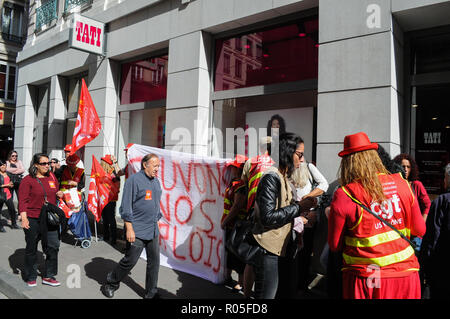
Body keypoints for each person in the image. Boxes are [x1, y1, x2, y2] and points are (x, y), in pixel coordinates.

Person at [328, 132, 426, 299]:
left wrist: (330, 216)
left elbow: (335, 245)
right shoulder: (402, 183)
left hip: (368, 279)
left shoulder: (345, 194)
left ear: (347, 162)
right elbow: (420, 229)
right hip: (406, 276)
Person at [252, 132, 316, 299]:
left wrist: (301, 214)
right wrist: (299, 207)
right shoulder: (272, 176)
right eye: (299, 155)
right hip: (268, 249)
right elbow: (268, 217)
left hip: (281, 247)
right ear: (287, 152)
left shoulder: (283, 176)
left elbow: (282, 211)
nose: (302, 160)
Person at [101, 154, 162, 299]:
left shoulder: (156, 182)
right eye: (154, 165)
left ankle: (151, 293)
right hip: (137, 230)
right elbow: (126, 208)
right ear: (145, 165)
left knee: (154, 262)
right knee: (130, 261)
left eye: (158, 166)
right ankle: (111, 283)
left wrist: (157, 222)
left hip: (152, 229)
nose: (157, 169)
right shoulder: (133, 181)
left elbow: (156, 204)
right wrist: (129, 228)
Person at [18, 153, 64, 287]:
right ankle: (31, 275)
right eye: (43, 163)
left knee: (53, 246)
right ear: (36, 165)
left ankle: (49, 276)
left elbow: (55, 191)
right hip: (33, 218)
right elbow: (23, 200)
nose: (47, 166)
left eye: (48, 163)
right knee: (32, 247)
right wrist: (24, 218)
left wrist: (59, 193)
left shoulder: (52, 176)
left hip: (49, 218)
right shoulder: (28, 180)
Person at [290, 149, 329, 292]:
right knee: (291, 252)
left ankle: (301, 285)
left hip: (308, 217)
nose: (300, 159)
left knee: (304, 254)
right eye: (297, 154)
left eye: (302, 155)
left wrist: (308, 199)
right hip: (291, 216)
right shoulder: (287, 169)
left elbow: (323, 185)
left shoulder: (309, 167)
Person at [241, 136, 274, 298]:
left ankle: (247, 296)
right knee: (269, 256)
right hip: (272, 214)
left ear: (260, 147)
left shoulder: (250, 162)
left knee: (252, 258)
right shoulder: (277, 163)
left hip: (253, 213)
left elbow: (245, 185)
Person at [420, 163, 450, 298]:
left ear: (448, 178)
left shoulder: (442, 201)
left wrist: (424, 265)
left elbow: (432, 239)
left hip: (443, 271)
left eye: (445, 177)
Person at [221, 154, 248, 293]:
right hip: (232, 225)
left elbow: (237, 206)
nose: (231, 169)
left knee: (238, 254)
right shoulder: (234, 182)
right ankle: (228, 277)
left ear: (240, 169)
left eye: (234, 167)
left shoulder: (241, 185)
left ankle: (241, 282)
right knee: (230, 252)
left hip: (238, 225)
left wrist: (225, 221)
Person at [393, 154, 431, 222]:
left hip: (414, 225)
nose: (405, 169)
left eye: (408, 167)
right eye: (403, 166)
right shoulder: (392, 185)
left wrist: (422, 222)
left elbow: (427, 205)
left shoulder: (416, 185)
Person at [100, 154, 121, 245]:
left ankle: (113, 238)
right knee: (105, 217)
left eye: (102, 161)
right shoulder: (101, 172)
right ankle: (106, 236)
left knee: (111, 218)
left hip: (110, 199)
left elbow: (117, 184)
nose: (101, 163)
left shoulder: (113, 173)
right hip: (104, 198)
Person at [0, 160, 19, 230]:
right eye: (1, 165)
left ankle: (14, 224)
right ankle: (0, 227)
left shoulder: (8, 174)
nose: (3, 167)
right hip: (0, 195)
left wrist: (11, 184)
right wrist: (6, 185)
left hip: (8, 195)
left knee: (12, 210)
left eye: (4, 165)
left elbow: (11, 182)